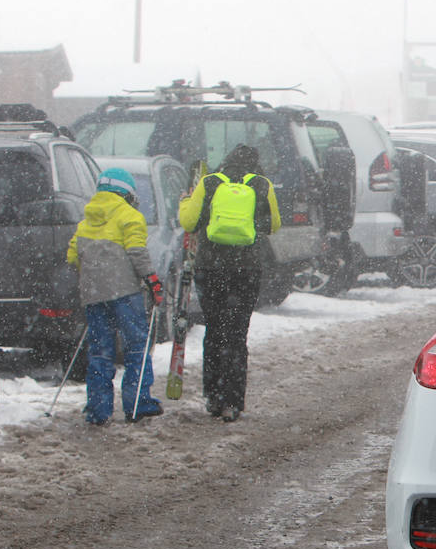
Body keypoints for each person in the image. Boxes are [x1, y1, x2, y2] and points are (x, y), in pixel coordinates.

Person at [177, 144, 281, 422]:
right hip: (246, 270)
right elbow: (274, 225)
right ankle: (233, 402)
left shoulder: (209, 182)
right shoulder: (262, 185)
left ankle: (213, 396)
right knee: (237, 334)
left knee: (214, 330)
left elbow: (189, 222)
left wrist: (186, 200)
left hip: (211, 268)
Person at [66, 167, 164, 425]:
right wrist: (152, 280)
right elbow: (136, 251)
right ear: (127, 193)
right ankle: (137, 405)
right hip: (126, 293)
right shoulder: (130, 216)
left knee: (100, 352)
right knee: (136, 348)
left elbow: (72, 255)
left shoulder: (86, 220)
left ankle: (99, 411)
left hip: (94, 295)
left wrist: (97, 275)